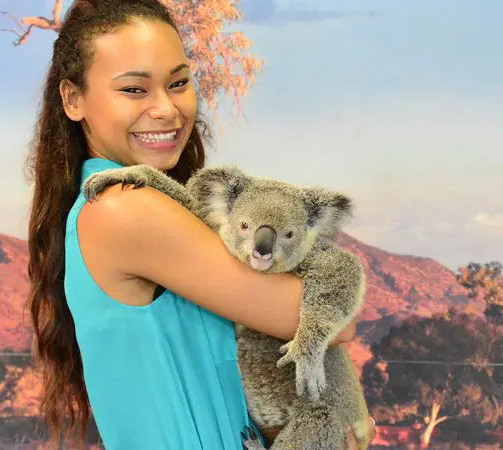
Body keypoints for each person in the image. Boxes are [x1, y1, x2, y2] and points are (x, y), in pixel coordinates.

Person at [25, 0, 376, 448]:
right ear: (73, 99)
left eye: (178, 83)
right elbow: (330, 322)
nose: (167, 109)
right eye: (134, 89)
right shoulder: (125, 209)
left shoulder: (124, 200)